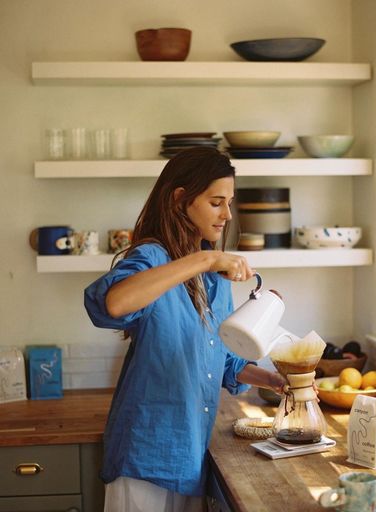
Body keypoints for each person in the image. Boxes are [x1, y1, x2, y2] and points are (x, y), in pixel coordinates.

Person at [84, 146, 287, 512]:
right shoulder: (152, 257)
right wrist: (206, 258)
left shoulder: (215, 278)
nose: (227, 214)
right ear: (181, 199)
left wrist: (274, 381)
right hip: (145, 455)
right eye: (216, 202)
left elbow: (222, 360)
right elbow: (113, 304)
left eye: (230, 202)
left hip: (192, 456)